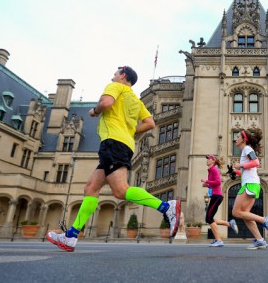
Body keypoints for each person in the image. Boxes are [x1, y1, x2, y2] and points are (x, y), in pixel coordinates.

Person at [46, 66, 181, 252]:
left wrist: (95, 110)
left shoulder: (115, 87)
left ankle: (166, 207)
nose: (113, 76)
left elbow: (107, 103)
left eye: (116, 73)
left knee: (120, 191)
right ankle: (71, 235)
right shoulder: (136, 100)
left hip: (112, 143)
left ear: (123, 75)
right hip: (122, 143)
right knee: (91, 188)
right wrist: (129, 131)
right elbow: (150, 123)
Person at [231, 128, 268, 250]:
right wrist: (236, 172)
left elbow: (256, 162)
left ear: (244, 139)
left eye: (238, 136)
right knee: (245, 214)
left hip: (250, 184)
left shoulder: (247, 149)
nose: (236, 139)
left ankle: (265, 220)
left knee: (235, 212)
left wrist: (241, 165)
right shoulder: (245, 151)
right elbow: (247, 170)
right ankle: (260, 240)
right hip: (251, 183)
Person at [201, 154, 238, 247]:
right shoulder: (210, 171)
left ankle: (219, 240)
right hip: (215, 196)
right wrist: (207, 185)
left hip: (217, 196)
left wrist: (207, 181)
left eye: (209, 159)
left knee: (208, 218)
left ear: (213, 161)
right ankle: (230, 224)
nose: (207, 160)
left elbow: (218, 182)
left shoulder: (214, 169)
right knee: (210, 218)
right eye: (207, 159)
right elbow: (214, 184)